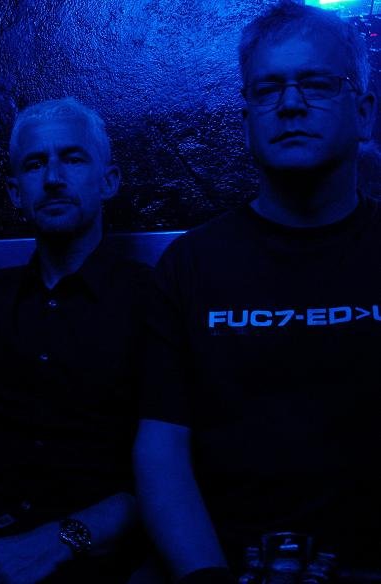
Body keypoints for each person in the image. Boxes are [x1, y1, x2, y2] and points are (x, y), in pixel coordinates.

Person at [135, 2, 380, 581]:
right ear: (247, 119)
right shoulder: (189, 266)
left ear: (364, 112)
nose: (290, 104)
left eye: (316, 84)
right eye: (268, 89)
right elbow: (162, 448)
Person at [0, 97, 150, 584]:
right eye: (33, 164)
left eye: (72, 158)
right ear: (15, 192)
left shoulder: (150, 299)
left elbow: (168, 468)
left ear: (109, 181)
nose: (52, 178)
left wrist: (61, 541)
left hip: (102, 559)